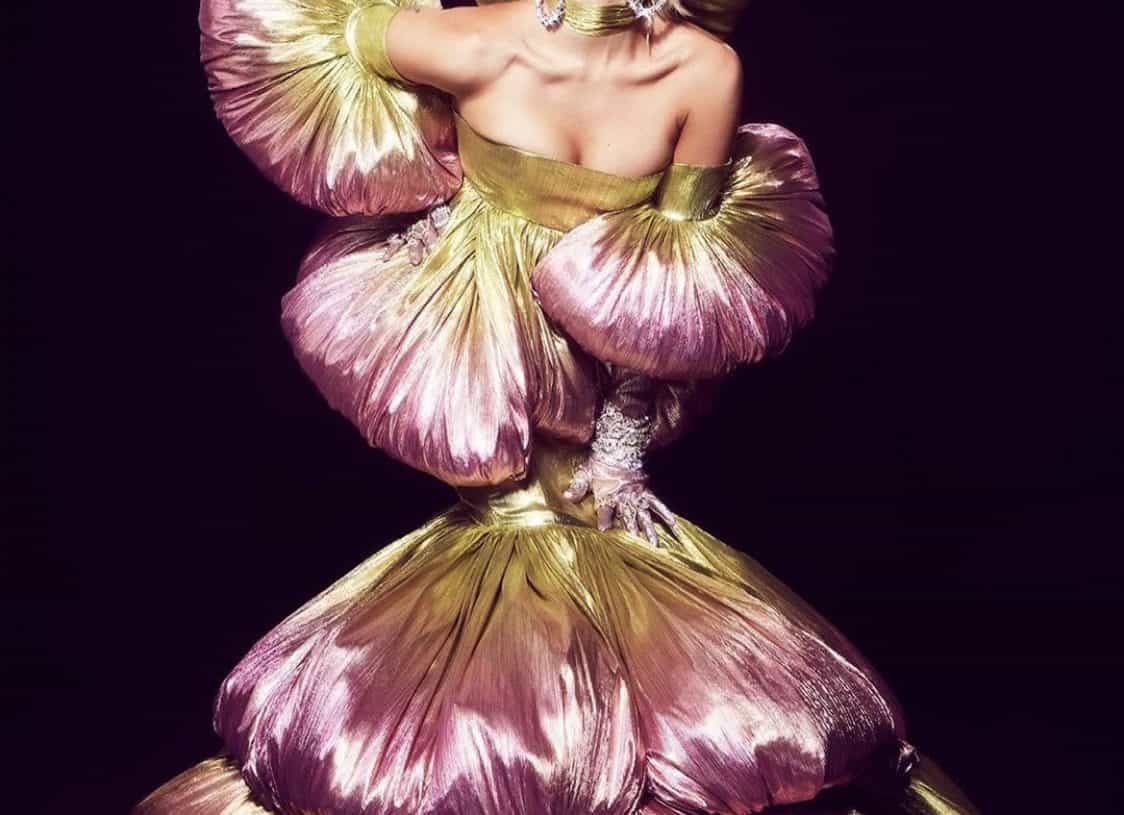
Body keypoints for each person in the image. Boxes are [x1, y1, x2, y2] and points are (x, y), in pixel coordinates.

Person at [135, 0, 979, 812]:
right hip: (518, 368)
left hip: (483, 356)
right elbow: (662, 290)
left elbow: (299, 29)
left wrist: (436, 189)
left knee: (525, 599)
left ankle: (532, 767)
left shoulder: (484, 43)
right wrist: (620, 449)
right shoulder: (699, 69)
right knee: (565, 585)